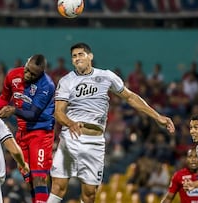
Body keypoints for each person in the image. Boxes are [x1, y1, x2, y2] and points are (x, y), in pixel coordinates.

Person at [47, 42, 175, 203]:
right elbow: (58, 112)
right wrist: (70, 123)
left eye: (81, 54)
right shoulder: (66, 81)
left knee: (89, 194)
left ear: (90, 56)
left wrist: (158, 117)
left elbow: (130, 97)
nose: (77, 58)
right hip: (70, 138)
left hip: (95, 142)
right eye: (74, 56)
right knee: (58, 186)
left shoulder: (107, 76)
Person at [0, 54, 55, 203]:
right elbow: (3, 98)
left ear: (41, 73)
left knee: (39, 177)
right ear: (26, 63)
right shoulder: (13, 75)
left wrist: (13, 110)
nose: (28, 75)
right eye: (27, 70)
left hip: (40, 133)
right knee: (29, 179)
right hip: (22, 133)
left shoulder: (47, 85)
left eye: (33, 74)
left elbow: (33, 114)